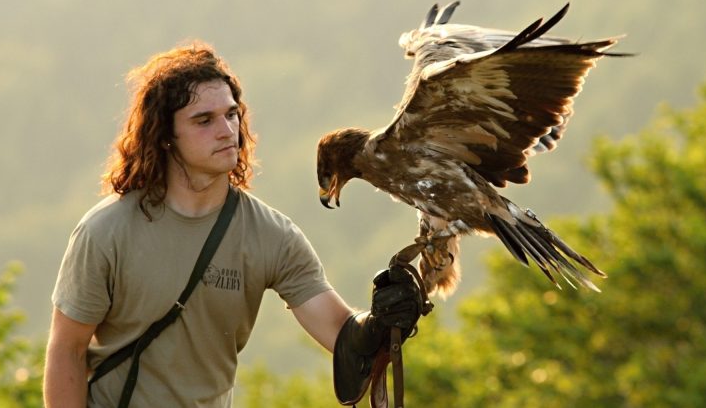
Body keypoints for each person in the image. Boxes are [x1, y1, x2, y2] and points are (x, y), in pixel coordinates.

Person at [44, 40, 424, 407]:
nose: (227, 130)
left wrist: (379, 324)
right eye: (203, 120)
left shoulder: (272, 236)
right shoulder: (107, 232)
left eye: (231, 114)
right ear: (165, 138)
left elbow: (342, 332)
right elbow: (67, 350)